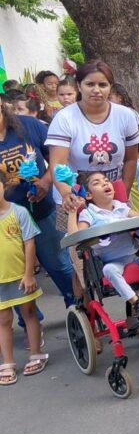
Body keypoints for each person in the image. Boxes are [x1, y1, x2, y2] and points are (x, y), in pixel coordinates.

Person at [46, 60, 139, 296]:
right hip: (72, 195)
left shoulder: (125, 115)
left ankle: (134, 308)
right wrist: (68, 195)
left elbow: (131, 159)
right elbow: (57, 164)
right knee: (81, 261)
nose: (96, 90)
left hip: (111, 192)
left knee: (126, 251)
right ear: (79, 85)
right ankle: (84, 307)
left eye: (103, 84)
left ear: (111, 87)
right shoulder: (65, 118)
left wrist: (123, 192)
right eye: (90, 84)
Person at [0, 100, 74, 308]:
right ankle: (29, 322)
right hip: (6, 221)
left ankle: (78, 307)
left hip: (46, 209)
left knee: (60, 264)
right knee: (13, 273)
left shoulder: (29, 125)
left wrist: (46, 181)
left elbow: (58, 159)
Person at [69, 171, 139, 321]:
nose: (104, 183)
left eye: (106, 180)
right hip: (113, 262)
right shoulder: (89, 214)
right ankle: (137, 304)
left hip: (134, 257)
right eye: (97, 183)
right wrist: (72, 212)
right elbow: (76, 236)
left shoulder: (121, 207)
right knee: (108, 270)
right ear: (88, 195)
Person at [0, 166, 43, 386]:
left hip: (20, 276)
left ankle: (35, 353)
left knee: (29, 314)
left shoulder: (19, 212)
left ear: (4, 186)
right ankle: (7, 362)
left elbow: (29, 242)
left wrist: (28, 274)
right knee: (3, 321)